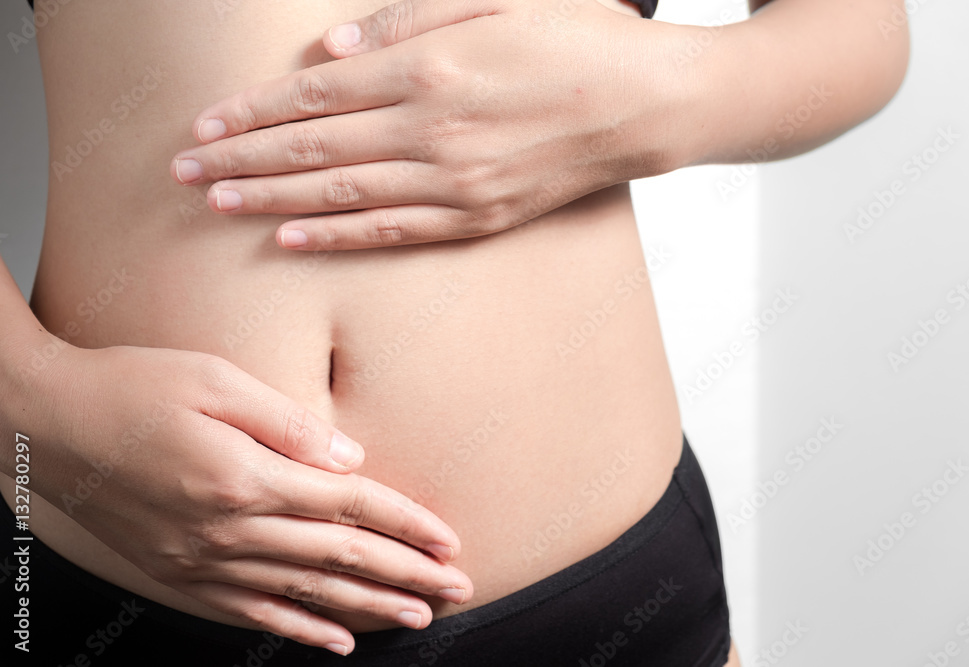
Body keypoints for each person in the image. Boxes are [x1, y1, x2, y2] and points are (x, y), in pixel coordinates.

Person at [0, 0, 908, 664]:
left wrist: (661, 87)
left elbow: (863, 29)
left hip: (606, 599)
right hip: (113, 566)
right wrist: (24, 405)